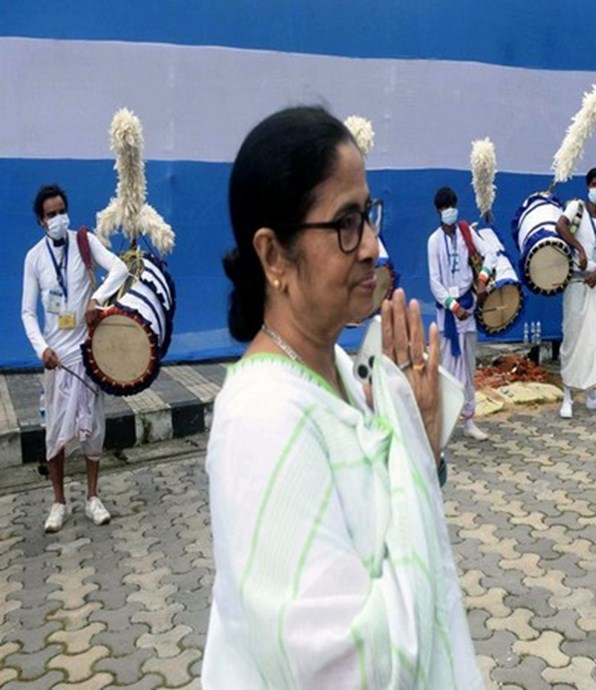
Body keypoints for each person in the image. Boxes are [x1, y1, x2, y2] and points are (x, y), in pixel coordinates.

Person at [203, 106, 481, 688]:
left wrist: (421, 448)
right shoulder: (262, 420)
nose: (372, 246)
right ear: (274, 255)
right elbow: (352, 669)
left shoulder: (334, 365)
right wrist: (408, 443)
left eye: (369, 215)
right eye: (345, 223)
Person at [21, 184, 129, 533]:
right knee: (55, 433)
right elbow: (27, 312)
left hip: (87, 354)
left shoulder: (85, 242)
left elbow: (119, 270)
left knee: (93, 428)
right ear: (41, 221)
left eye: (61, 211)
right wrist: (42, 349)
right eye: (51, 214)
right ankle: (58, 502)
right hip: (56, 359)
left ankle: (93, 498)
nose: (57, 218)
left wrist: (96, 298)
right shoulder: (34, 258)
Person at [427, 186, 496, 441]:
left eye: (452, 206)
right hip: (449, 313)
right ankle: (443, 423)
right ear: (438, 211)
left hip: (469, 305)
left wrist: (482, 278)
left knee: (468, 367)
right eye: (445, 208)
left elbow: (490, 253)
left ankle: (469, 419)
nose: (450, 211)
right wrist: (453, 306)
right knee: (447, 369)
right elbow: (434, 282)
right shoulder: (433, 241)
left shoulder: (467, 232)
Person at [554, 167, 596, 418]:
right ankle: (567, 397)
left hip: (593, 283)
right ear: (587, 186)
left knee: (593, 340)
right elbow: (560, 226)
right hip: (575, 283)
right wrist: (579, 248)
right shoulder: (576, 207)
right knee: (571, 338)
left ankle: (592, 395)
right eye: (593, 184)